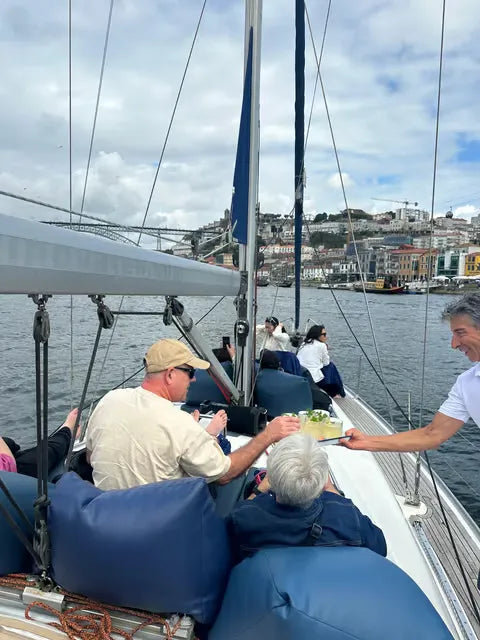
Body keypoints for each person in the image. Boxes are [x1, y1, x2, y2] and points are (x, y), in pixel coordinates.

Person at [86, 339, 300, 491]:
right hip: (156, 531)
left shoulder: (109, 400)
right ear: (170, 374)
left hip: (105, 520)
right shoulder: (178, 423)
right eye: (190, 373)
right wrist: (269, 434)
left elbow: (90, 456)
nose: (194, 380)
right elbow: (224, 474)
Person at [343, 292, 480, 453]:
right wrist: (365, 441)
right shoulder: (466, 383)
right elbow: (431, 435)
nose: (454, 344)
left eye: (460, 333)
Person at [227, 433, 386, 562]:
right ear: (322, 482)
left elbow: (235, 524)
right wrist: (331, 490)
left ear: (272, 479)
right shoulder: (346, 515)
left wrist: (258, 490)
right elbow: (380, 547)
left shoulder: (245, 517)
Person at [1, 408, 78, 477]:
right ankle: (67, 431)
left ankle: (64, 436)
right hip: (9, 476)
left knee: (10, 444)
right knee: (47, 452)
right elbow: (9, 467)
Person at [297, 325, 345, 397]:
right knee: (331, 366)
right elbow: (326, 363)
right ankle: (338, 393)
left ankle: (336, 391)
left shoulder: (304, 343)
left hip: (300, 373)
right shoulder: (322, 345)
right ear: (318, 335)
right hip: (313, 377)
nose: (326, 337)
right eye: (324, 334)